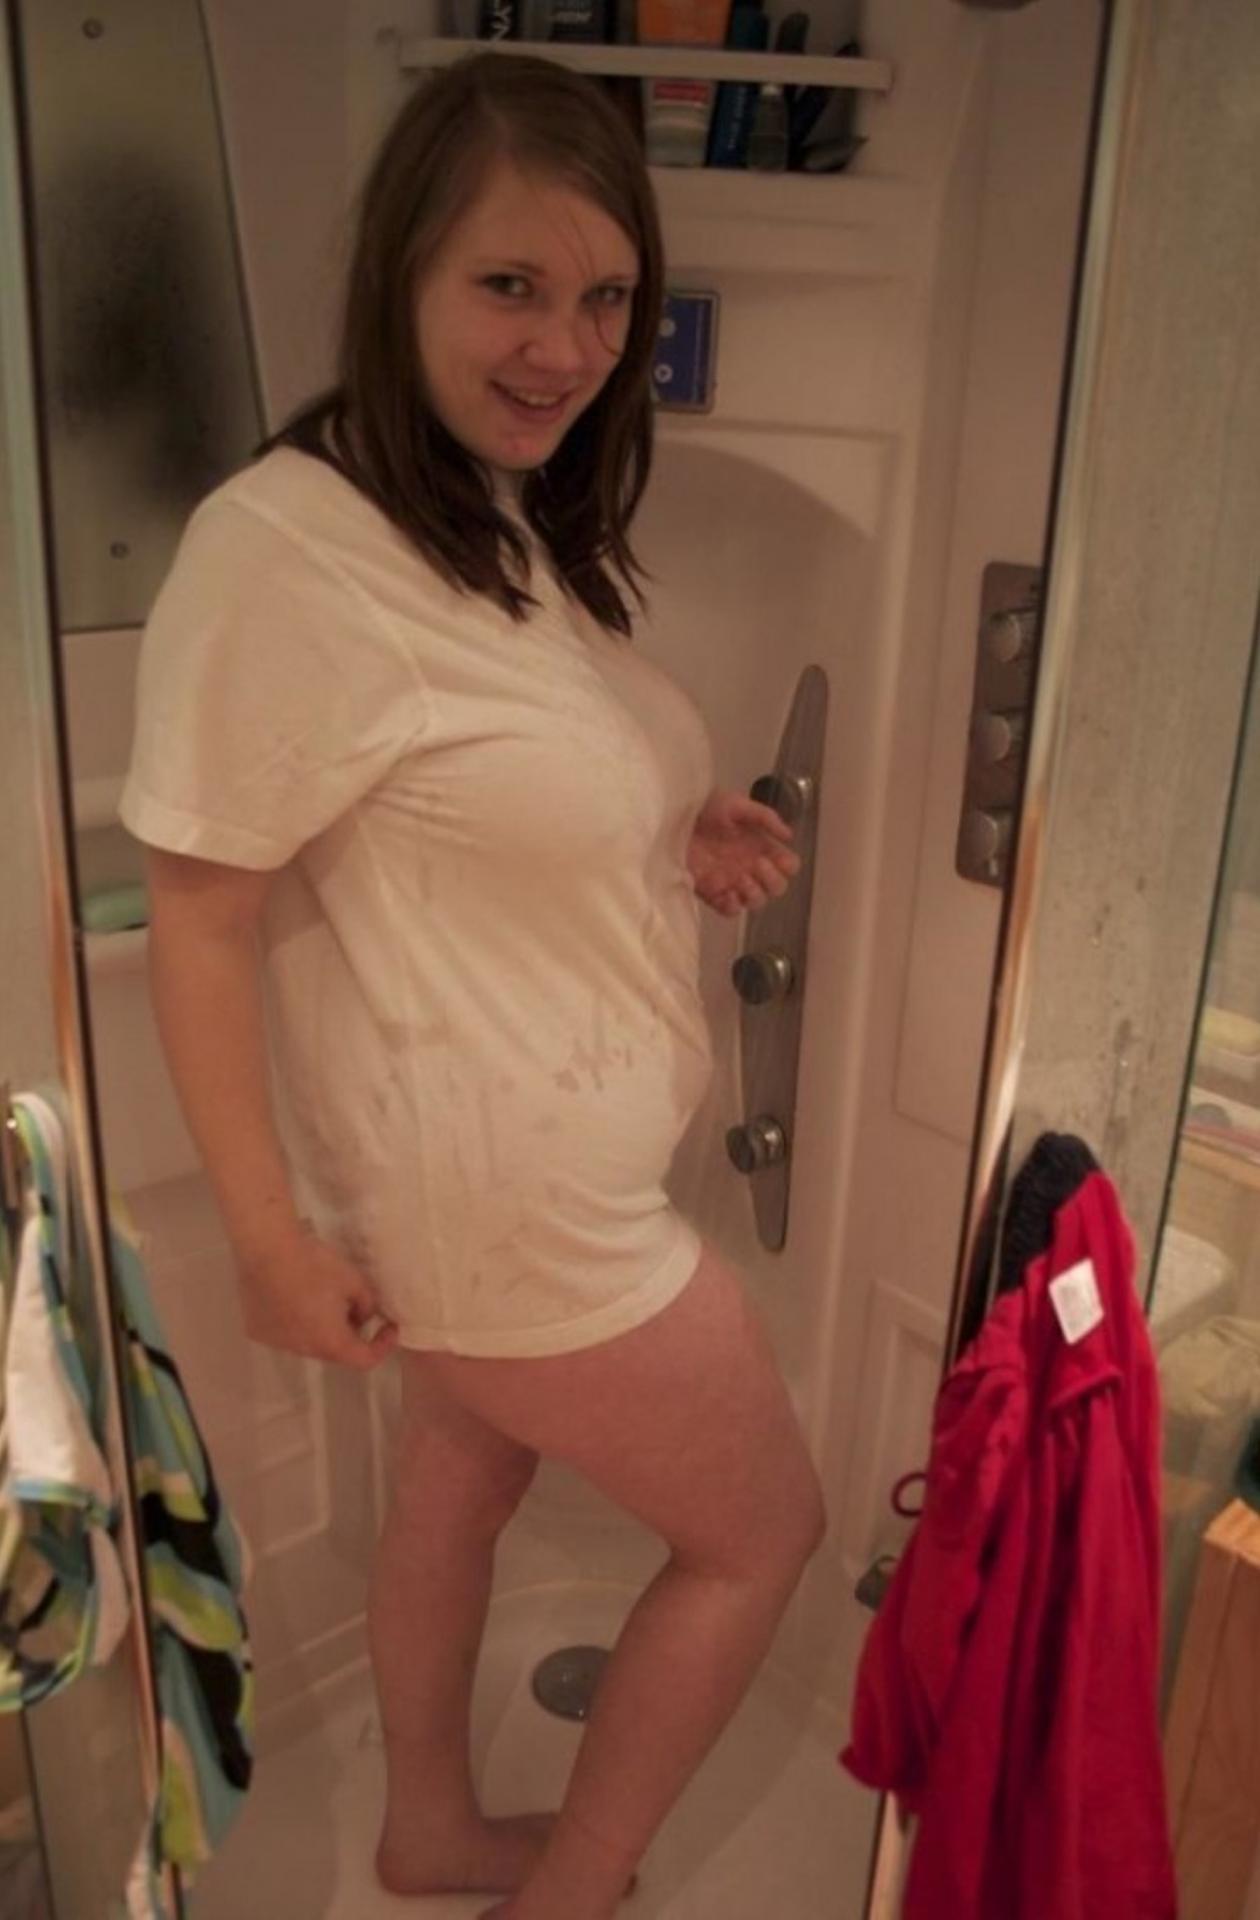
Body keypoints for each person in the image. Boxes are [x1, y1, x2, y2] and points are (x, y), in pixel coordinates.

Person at [120, 52, 825, 1920]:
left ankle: (429, 1831)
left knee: (463, 1472)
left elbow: (470, 798)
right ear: (402, 276)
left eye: (607, 298)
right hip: (513, 1207)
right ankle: (572, 1894)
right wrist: (269, 1243)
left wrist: (673, 829)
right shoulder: (286, 550)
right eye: (511, 285)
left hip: (506, 1183)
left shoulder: (482, 507)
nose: (567, 347)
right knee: (763, 1535)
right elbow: (199, 911)